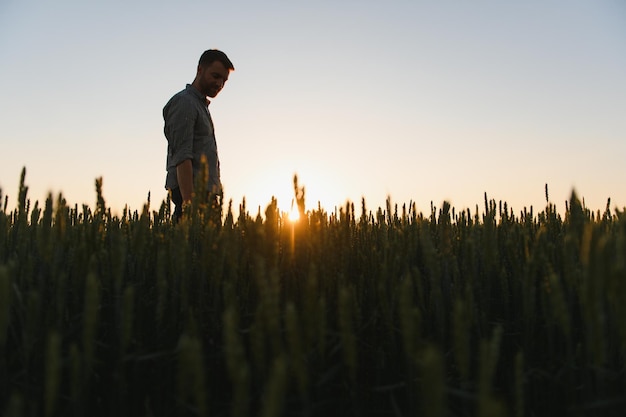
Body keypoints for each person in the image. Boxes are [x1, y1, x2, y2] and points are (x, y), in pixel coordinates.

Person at [163, 49, 235, 222]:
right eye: (215, 76)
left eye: (224, 81)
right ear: (200, 70)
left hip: (206, 199)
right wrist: (190, 207)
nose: (219, 84)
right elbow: (182, 155)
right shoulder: (185, 103)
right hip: (194, 199)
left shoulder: (200, 106)